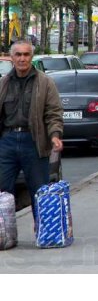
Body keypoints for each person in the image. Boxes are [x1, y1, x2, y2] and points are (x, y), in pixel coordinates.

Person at [0, 39, 64, 221]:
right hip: (7, 141)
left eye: (26, 54)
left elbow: (54, 112)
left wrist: (55, 135)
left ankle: (44, 232)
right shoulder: (3, 83)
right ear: (11, 57)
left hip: (34, 142)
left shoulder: (45, 83)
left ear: (31, 57)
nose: (22, 59)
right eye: (18, 54)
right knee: (3, 191)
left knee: (39, 191)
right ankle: (5, 234)